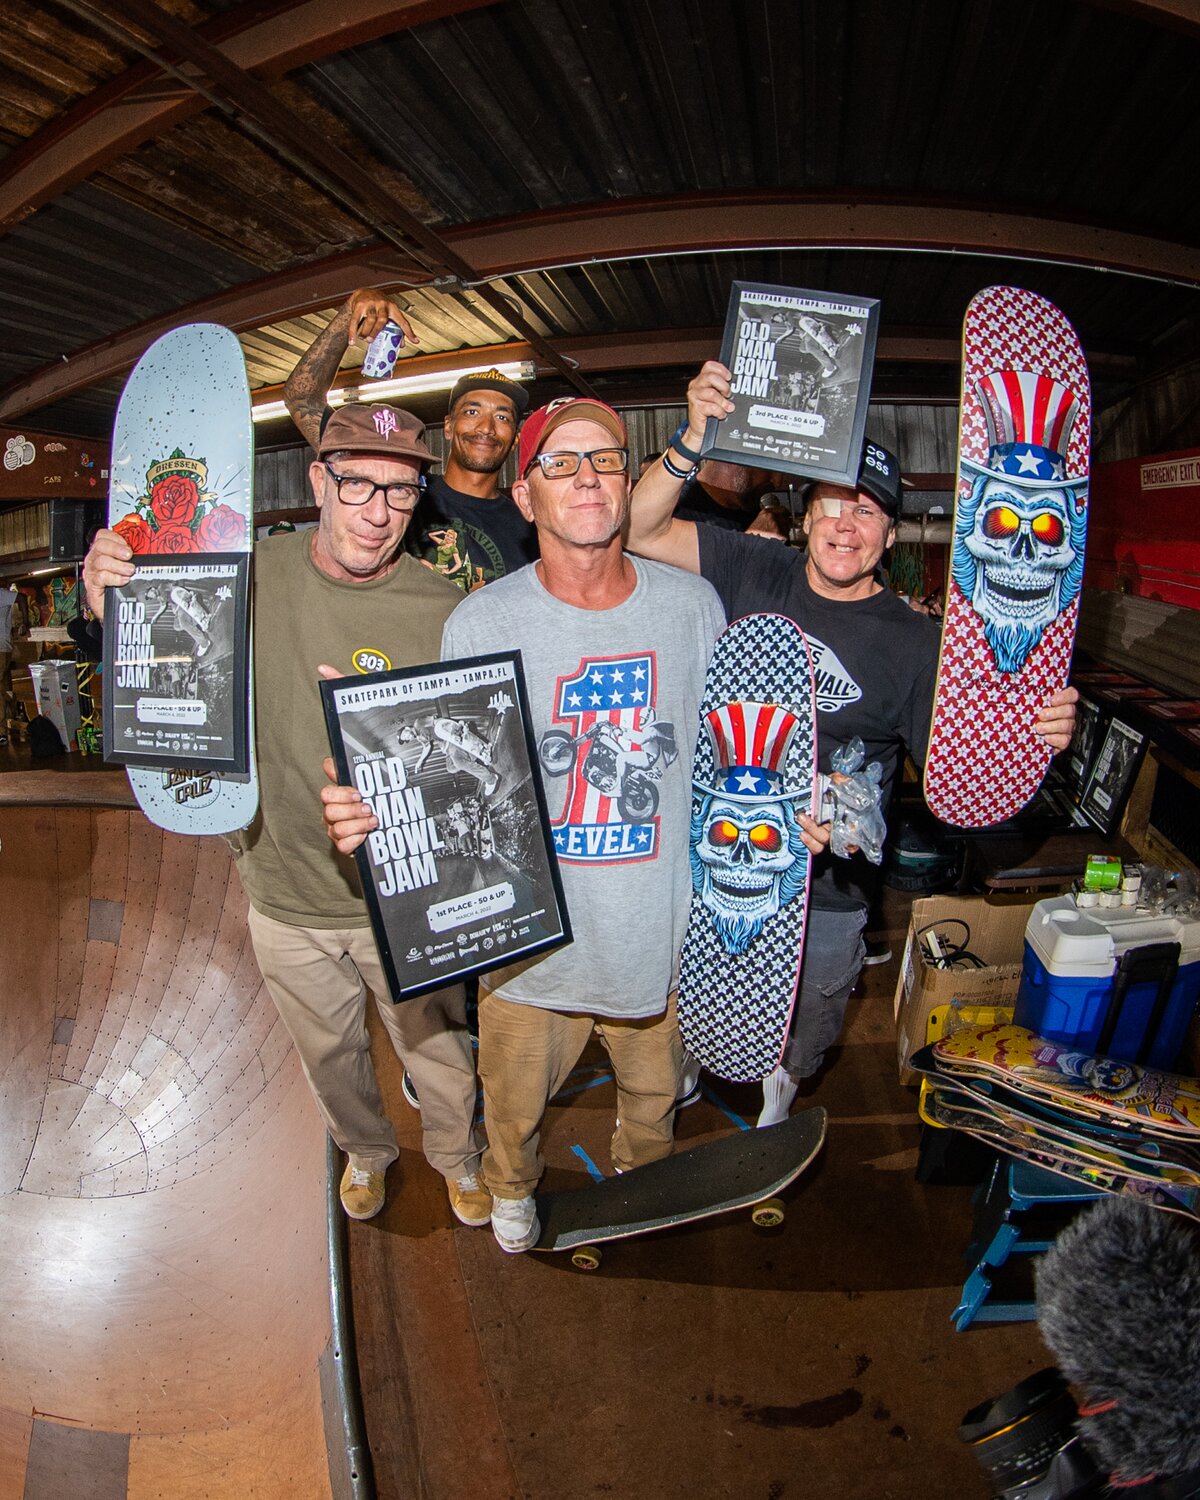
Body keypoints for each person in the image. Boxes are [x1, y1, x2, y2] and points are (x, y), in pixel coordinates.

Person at [322, 397, 827, 1253]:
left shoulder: (693, 605)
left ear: (629, 483)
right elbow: (453, 777)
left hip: (659, 937)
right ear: (526, 498)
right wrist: (376, 786)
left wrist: (787, 813)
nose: (586, 478)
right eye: (560, 463)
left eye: (604, 460)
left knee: (654, 1106)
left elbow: (727, 757)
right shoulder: (481, 621)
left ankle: (637, 1186)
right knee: (512, 1109)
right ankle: (512, 1190)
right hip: (528, 951)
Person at [626, 360, 1079, 1127]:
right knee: (708, 987)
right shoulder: (752, 567)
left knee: (808, 1020)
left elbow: (960, 779)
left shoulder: (918, 644)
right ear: (805, 517)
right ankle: (706, 1057)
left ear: (891, 534)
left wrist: (1032, 731)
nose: (845, 525)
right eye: (832, 504)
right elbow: (638, 529)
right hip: (721, 852)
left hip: (831, 884)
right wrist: (693, 438)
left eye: (867, 512)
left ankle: (787, 1084)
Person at [82, 402, 489, 1228]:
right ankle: (367, 1151)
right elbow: (161, 659)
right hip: (281, 883)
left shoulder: (446, 610)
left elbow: (474, 760)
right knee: (329, 1054)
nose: (378, 512)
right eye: (357, 485)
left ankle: (459, 1157)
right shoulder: (246, 573)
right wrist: (109, 600)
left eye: (401, 491)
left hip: (402, 895)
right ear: (318, 482)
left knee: (438, 1048)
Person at [284, 287, 536, 591]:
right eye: (472, 412)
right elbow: (302, 398)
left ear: (515, 437)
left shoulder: (528, 527)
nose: (486, 427)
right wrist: (349, 312)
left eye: (502, 417)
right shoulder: (397, 486)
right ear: (448, 426)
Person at [0, 581, 26, 744]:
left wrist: (25, 622)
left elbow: (21, 597)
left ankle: (1, 731)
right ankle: (8, 717)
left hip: (1, 648)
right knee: (2, 688)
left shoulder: (2, 594)